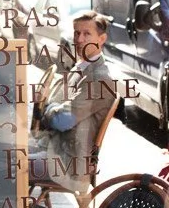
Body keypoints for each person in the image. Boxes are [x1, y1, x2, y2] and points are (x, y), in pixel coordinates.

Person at [29, 10, 115, 192]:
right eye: (77, 33)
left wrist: (46, 108)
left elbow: (62, 120)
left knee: (7, 166)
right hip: (55, 150)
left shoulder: (99, 79)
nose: (80, 39)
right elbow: (54, 108)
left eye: (87, 34)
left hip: (68, 165)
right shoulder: (81, 68)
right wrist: (49, 108)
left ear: (101, 39)